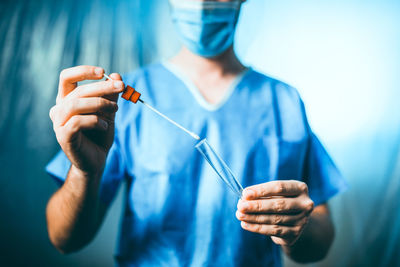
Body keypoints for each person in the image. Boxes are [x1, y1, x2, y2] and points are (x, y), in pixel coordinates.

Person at [46, 0, 347, 266]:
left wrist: (297, 229)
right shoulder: (118, 105)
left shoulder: (284, 101)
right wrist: (84, 172)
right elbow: (65, 239)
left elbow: (320, 237)